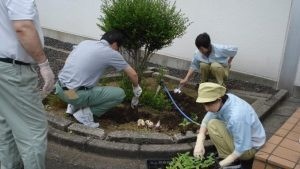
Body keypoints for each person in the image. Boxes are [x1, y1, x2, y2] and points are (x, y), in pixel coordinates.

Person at [0, 0, 55, 168]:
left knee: (7, 125)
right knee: (33, 131)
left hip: (3, 65)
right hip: (13, 70)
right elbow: (23, 27)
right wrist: (43, 64)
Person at [55, 30, 142, 128]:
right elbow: (133, 74)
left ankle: (72, 107)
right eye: (119, 47)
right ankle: (84, 115)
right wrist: (136, 88)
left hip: (60, 89)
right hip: (76, 96)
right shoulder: (111, 53)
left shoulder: (85, 43)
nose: (118, 50)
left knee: (88, 81)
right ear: (115, 44)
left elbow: (70, 62)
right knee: (119, 94)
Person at [193, 82, 266, 169]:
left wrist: (221, 164)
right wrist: (199, 141)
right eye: (204, 104)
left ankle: (234, 162)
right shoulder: (227, 98)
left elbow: (242, 147)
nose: (206, 108)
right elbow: (206, 120)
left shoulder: (237, 117)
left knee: (213, 125)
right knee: (212, 123)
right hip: (243, 136)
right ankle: (230, 158)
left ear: (219, 100)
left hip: (249, 148)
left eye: (209, 104)